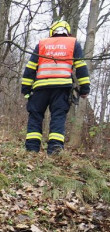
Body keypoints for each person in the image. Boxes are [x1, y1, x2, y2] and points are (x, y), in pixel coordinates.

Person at [21, 19, 90, 155]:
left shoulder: (42, 44)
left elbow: (30, 68)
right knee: (58, 117)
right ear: (67, 32)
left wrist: (26, 89)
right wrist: (85, 88)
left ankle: (31, 150)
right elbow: (81, 66)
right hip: (62, 88)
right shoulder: (73, 43)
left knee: (35, 116)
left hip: (40, 87)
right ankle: (55, 150)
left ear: (52, 31)